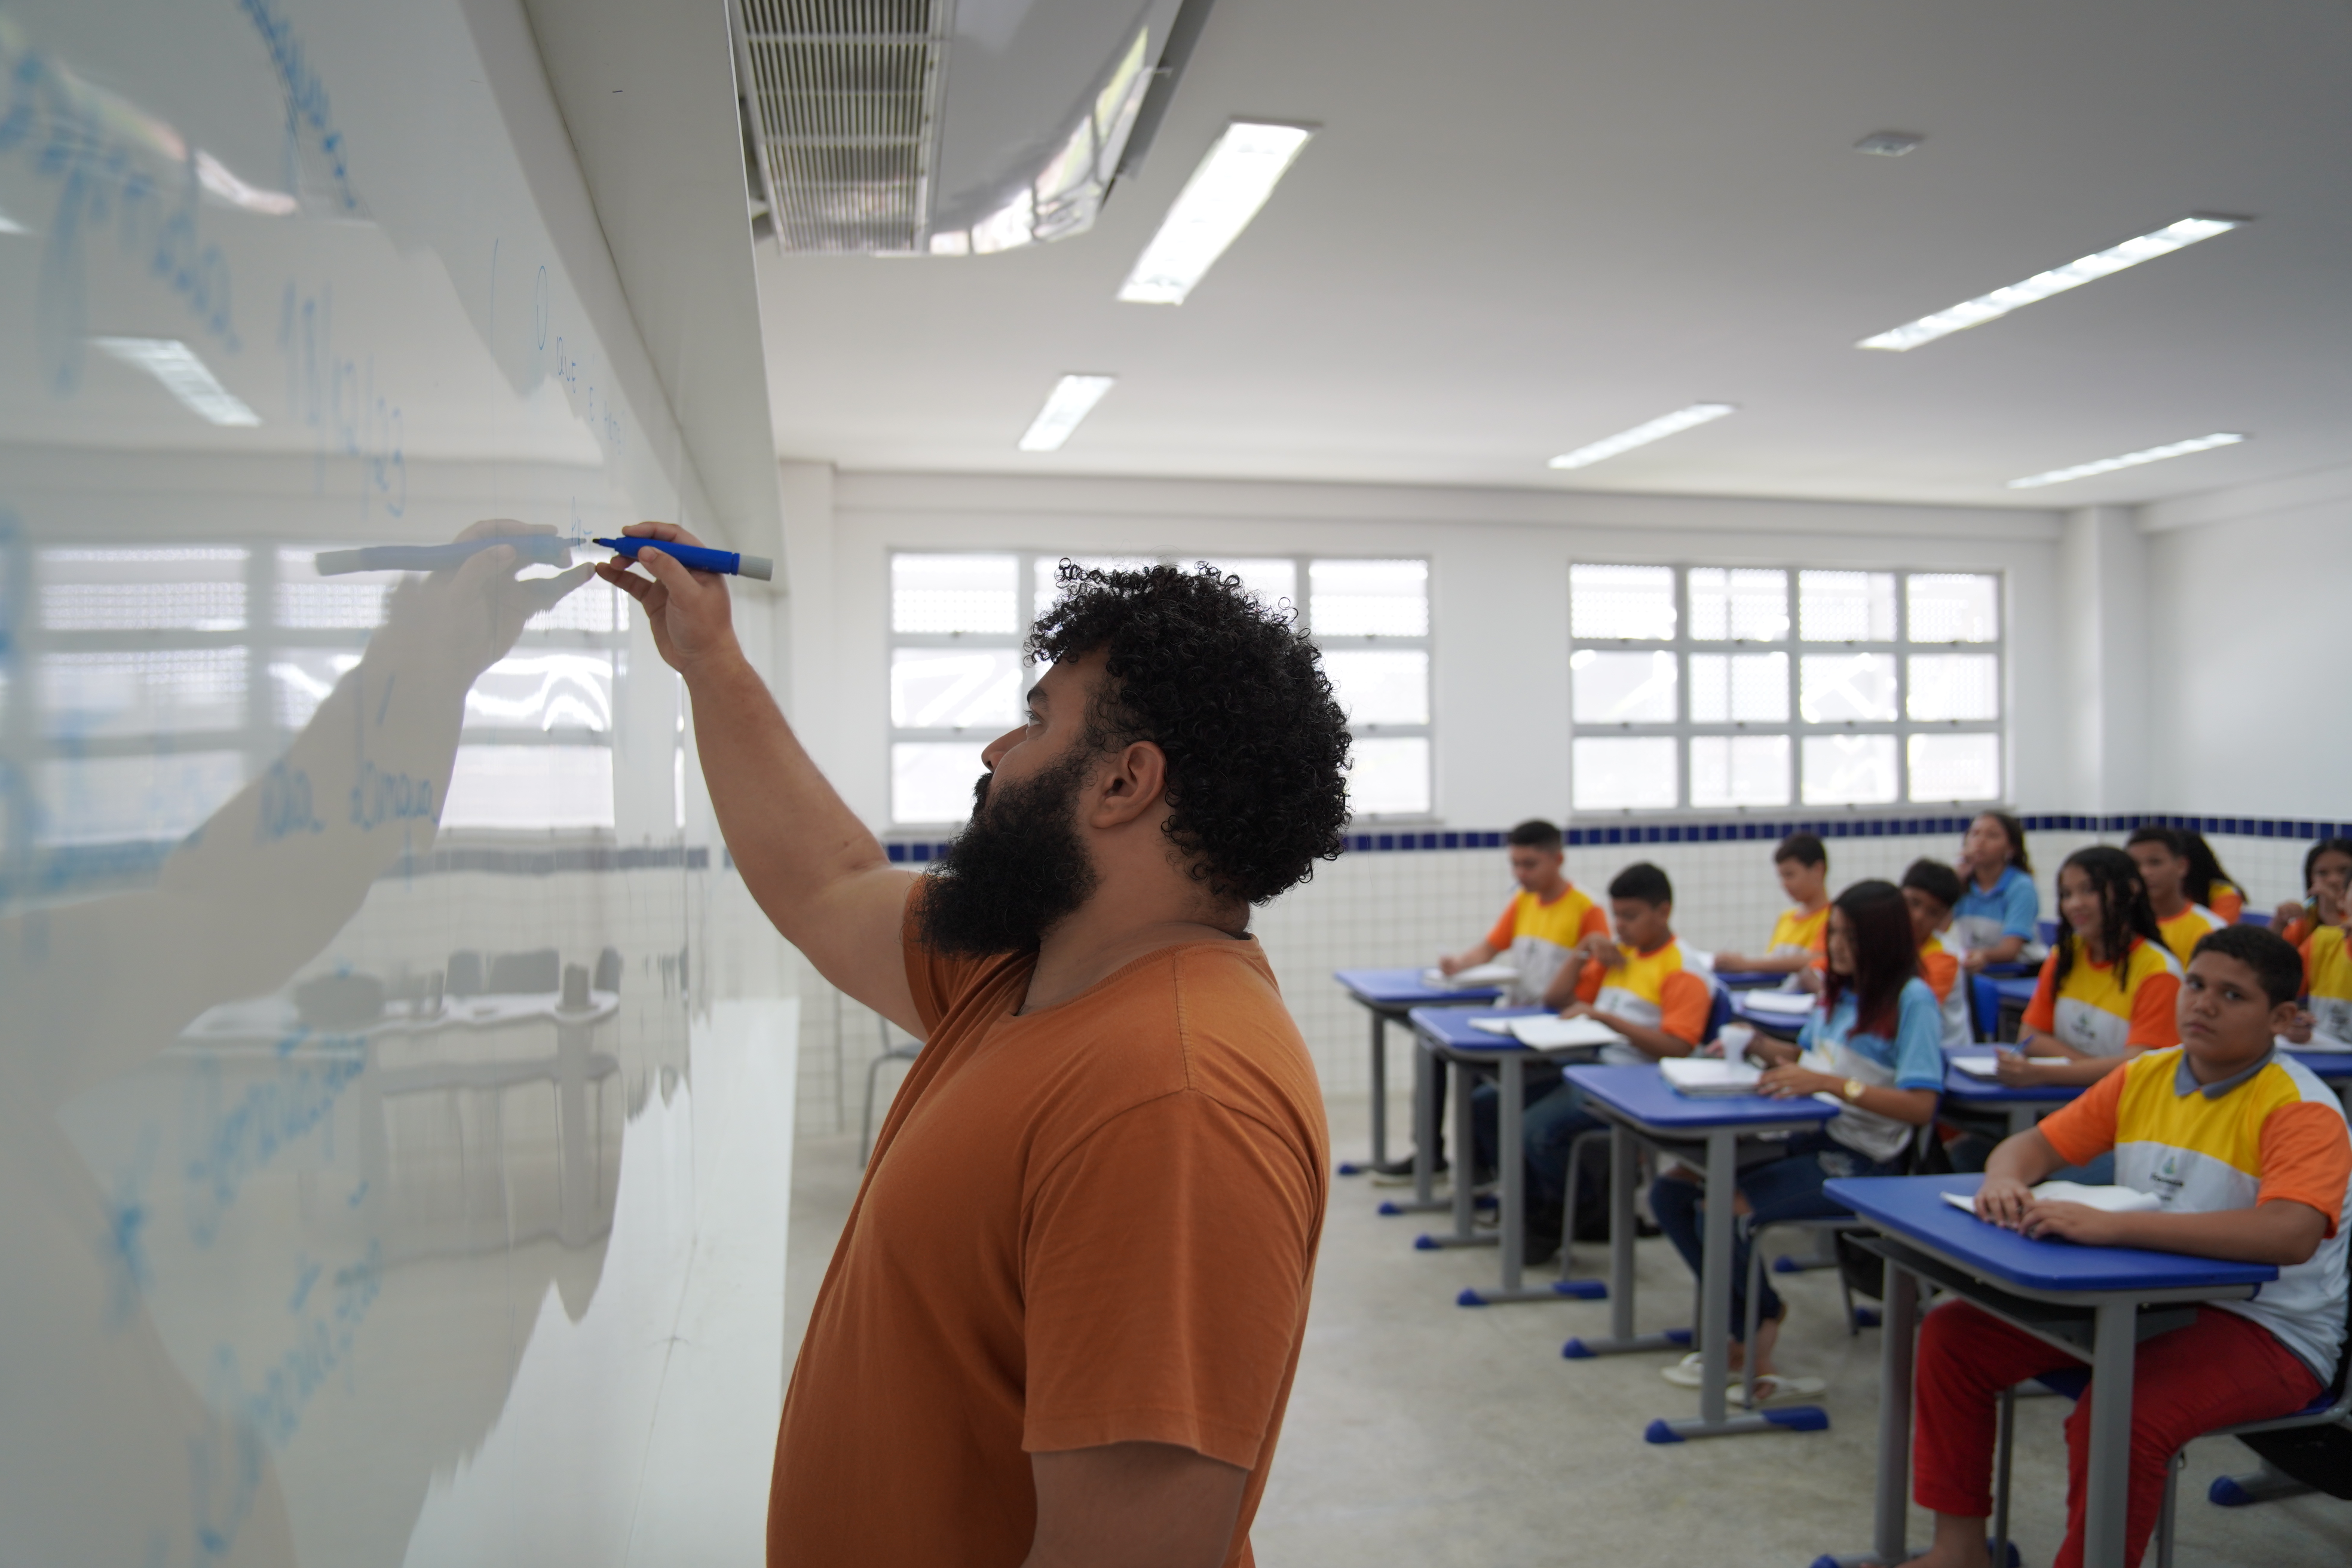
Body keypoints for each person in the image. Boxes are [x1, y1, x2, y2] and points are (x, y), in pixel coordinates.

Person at [601, 535, 1349, 1568]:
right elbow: (828, 882)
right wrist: (710, 658)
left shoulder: (1173, 1099)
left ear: (1125, 780)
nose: (998, 750)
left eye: (1040, 719)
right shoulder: (1025, 968)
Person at [1907, 925, 2351, 1568]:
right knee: (1953, 1336)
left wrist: (2114, 1226)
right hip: (2142, 1300)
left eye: (2232, 994)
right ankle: (1959, 1551)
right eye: (2195, 984)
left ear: (2282, 1017)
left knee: (2118, 1416)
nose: (2201, 1003)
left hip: (2269, 1328)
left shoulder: (2301, 1105)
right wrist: (2003, 1178)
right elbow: (2032, 1145)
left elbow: (2290, 1231)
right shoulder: (2146, 1073)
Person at [1650, 881, 1943, 1398]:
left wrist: (1832, 1085)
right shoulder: (1840, 991)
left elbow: (1920, 1105)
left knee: (1728, 1207)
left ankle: (1753, 1335)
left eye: (1852, 937)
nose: (1837, 947)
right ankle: (1752, 1316)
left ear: (1884, 940)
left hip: (1864, 1159)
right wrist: (1760, 1046)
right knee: (1672, 1191)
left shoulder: (1912, 999)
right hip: (1810, 1135)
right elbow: (1807, 1059)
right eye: (1832, 934)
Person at [1491, 863, 1711, 1263]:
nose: (1620, 926)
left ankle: (1573, 1207)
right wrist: (1581, 954)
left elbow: (1678, 1046)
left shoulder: (1681, 968)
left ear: (1663, 912)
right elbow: (1556, 1001)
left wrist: (1607, 1018)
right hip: (1597, 1069)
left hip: (1640, 1080)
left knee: (1535, 1129)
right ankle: (1543, 1206)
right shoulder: (1620, 954)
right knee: (1497, 1101)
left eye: (1631, 917)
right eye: (1616, 916)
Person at [1431, 820, 1609, 1178]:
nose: (1521, 873)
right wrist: (1458, 964)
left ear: (1558, 859)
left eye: (1530, 864)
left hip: (1553, 1034)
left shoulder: (1586, 910)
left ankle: (1509, 1188)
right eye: (1515, 864)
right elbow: (1491, 946)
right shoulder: (1523, 901)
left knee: (1483, 1101)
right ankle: (1475, 1174)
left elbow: (1592, 988)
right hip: (1518, 1022)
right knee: (1442, 1055)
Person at [1996, 846, 2180, 1091]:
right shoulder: (2064, 956)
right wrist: (2090, 1071)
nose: (2075, 905)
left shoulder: (2159, 971)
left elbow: (2137, 1068)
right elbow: (2031, 1037)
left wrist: (2044, 1072)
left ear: (2130, 891)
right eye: (2066, 894)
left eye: (2089, 890)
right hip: (2074, 1098)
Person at [1712, 833, 1830, 977]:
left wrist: (1747, 964)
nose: (1785, 884)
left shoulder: (1832, 917)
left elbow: (1819, 958)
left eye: (1790, 875)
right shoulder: (1786, 918)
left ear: (1818, 869)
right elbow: (1772, 965)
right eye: (1781, 877)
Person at [2126, 825, 2229, 967]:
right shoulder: (2119, 923)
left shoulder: (2211, 930)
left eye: (2155, 862)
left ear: (2182, 867)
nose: (2144, 872)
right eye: (2136, 865)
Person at [1953, 810, 2038, 972]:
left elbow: (2010, 950)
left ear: (2011, 849)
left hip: (2019, 972)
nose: (1980, 842)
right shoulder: (1963, 884)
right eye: (1975, 834)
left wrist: (1981, 956)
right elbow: (1938, 927)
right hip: (1975, 968)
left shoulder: (2021, 887)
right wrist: (1954, 883)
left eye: (1992, 836)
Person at [1902, 858, 1975, 1047]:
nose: (1919, 917)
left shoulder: (1945, 957)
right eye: (1914, 903)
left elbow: (1915, 1015)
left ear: (1945, 920)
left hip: (1943, 1055)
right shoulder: (1887, 940)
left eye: (1933, 912)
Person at [2273, 837, 2352, 949]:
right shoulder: (2309, 918)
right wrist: (2279, 924)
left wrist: (2330, 915)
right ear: (2311, 880)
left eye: (2344, 870)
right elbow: (2270, 958)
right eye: (2322, 873)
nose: (2333, 880)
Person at [2179, 831, 2246, 923]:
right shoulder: (2166, 890)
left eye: (2156, 863)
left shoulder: (2225, 893)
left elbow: (2215, 932)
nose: (2151, 872)